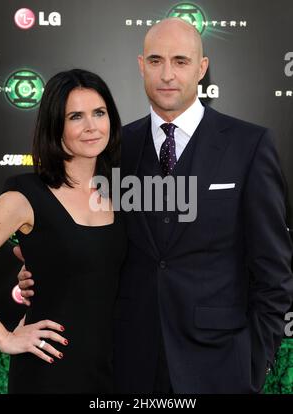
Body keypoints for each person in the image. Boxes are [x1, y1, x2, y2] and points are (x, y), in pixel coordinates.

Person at [17, 19, 293, 394]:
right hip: (128, 364)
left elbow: (273, 271)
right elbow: (88, 239)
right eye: (156, 60)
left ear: (202, 67)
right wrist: (45, 270)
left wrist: (253, 361)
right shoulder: (111, 150)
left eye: (180, 61)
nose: (167, 74)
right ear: (140, 65)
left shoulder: (250, 145)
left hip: (221, 365)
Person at [0, 68, 127, 393]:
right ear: (56, 125)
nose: (92, 126)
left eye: (99, 113)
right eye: (76, 117)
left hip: (114, 373)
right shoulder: (24, 197)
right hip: (48, 374)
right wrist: (3, 337)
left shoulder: (122, 193)